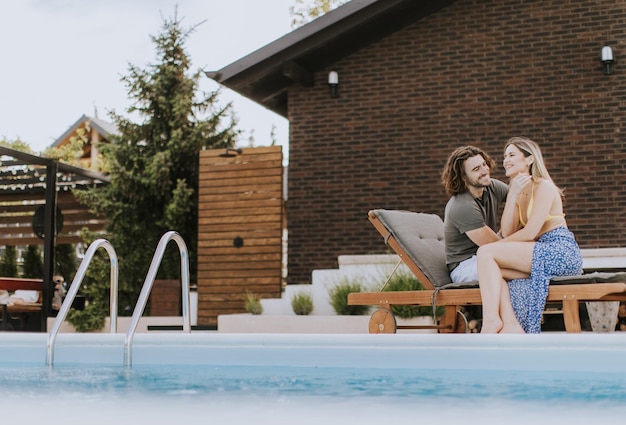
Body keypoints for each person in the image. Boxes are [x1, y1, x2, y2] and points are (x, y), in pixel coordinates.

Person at [476, 137, 583, 333]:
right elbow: (508, 231)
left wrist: (493, 248)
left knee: (485, 254)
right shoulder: (518, 191)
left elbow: (530, 232)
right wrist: (514, 194)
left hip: (560, 251)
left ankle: (491, 322)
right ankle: (510, 324)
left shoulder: (544, 186)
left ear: (529, 159)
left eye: (511, 155)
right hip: (538, 253)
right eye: (504, 156)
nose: (505, 160)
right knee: (491, 268)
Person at [441, 145, 508, 284]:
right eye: (476, 169)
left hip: (486, 256)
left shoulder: (491, 187)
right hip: (464, 267)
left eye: (484, 164)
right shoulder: (462, 206)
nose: (485, 171)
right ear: (463, 177)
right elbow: (495, 245)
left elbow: (521, 199)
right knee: (520, 266)